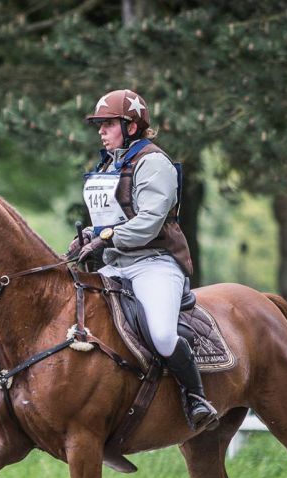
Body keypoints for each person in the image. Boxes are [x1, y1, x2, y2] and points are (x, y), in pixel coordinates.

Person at [68, 88, 218, 431]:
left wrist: (105, 237)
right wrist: (88, 237)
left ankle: (196, 397)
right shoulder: (109, 165)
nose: (101, 131)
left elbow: (148, 223)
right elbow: (111, 219)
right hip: (117, 263)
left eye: (107, 124)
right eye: (99, 125)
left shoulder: (154, 163)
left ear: (131, 126)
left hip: (155, 262)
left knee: (163, 336)